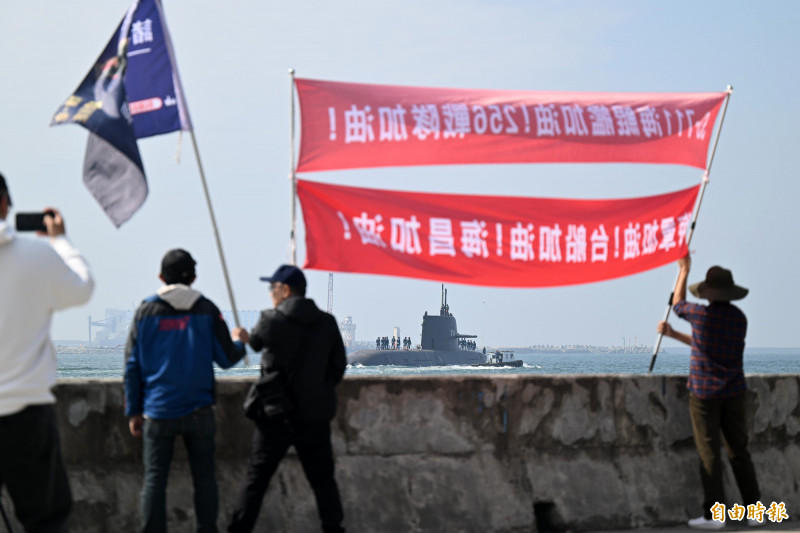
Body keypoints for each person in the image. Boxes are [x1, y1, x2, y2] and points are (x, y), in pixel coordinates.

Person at [124, 248, 248, 533]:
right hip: (199, 411)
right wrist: (240, 342)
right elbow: (227, 358)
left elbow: (132, 365)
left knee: (154, 479)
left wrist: (133, 410)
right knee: (204, 477)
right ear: (193, 277)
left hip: (157, 410)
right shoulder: (206, 309)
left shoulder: (145, 311)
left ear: (160, 276)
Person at [0, 172, 94, 532]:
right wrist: (61, 241)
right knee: (46, 521)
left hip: (28, 415)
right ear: (6, 204)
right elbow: (82, 288)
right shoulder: (37, 256)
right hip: (27, 416)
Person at [228, 264, 346, 533]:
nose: (270, 293)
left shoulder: (271, 320)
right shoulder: (327, 323)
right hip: (314, 416)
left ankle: (239, 529)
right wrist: (317, 391)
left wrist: (240, 337)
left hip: (275, 414)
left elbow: (256, 343)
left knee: (257, 479)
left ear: (286, 291)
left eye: (272, 288)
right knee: (323, 481)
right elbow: (338, 366)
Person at [657, 256, 761, 530]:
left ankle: (714, 514)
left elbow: (678, 303)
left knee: (710, 454)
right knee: (739, 452)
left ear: (708, 292)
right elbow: (708, 341)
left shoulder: (701, 316)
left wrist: (683, 270)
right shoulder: (739, 319)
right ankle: (754, 510)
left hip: (704, 393)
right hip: (734, 392)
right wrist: (675, 335)